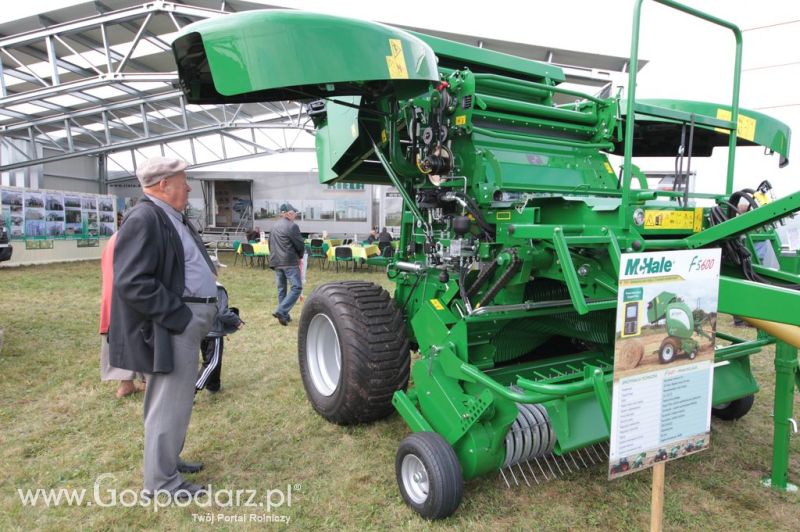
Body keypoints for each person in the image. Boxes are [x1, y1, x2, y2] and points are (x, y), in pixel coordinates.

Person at [108, 156, 218, 500]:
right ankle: (160, 485)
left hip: (181, 323)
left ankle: (167, 462)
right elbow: (132, 281)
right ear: (162, 185)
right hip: (169, 327)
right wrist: (180, 317)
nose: (188, 187)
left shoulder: (168, 216)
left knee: (176, 402)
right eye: (182, 181)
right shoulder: (145, 218)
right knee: (167, 404)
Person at [99, 230, 145, 398]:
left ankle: (126, 384)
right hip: (128, 298)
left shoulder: (114, 238)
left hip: (112, 296)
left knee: (117, 337)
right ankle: (147, 381)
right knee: (141, 336)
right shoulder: (136, 235)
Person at [195, 281, 244, 393]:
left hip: (199, 328)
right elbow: (222, 312)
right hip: (213, 331)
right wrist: (237, 321)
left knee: (211, 359)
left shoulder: (196, 284)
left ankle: (213, 386)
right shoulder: (217, 288)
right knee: (212, 362)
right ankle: (191, 390)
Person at [268, 203, 304, 326]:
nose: (295, 216)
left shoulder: (273, 227)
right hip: (289, 261)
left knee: (282, 289)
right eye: (294, 213)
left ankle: (284, 316)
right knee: (297, 287)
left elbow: (270, 244)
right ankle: (281, 310)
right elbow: (300, 244)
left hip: (277, 262)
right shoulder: (292, 226)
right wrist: (300, 256)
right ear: (288, 213)